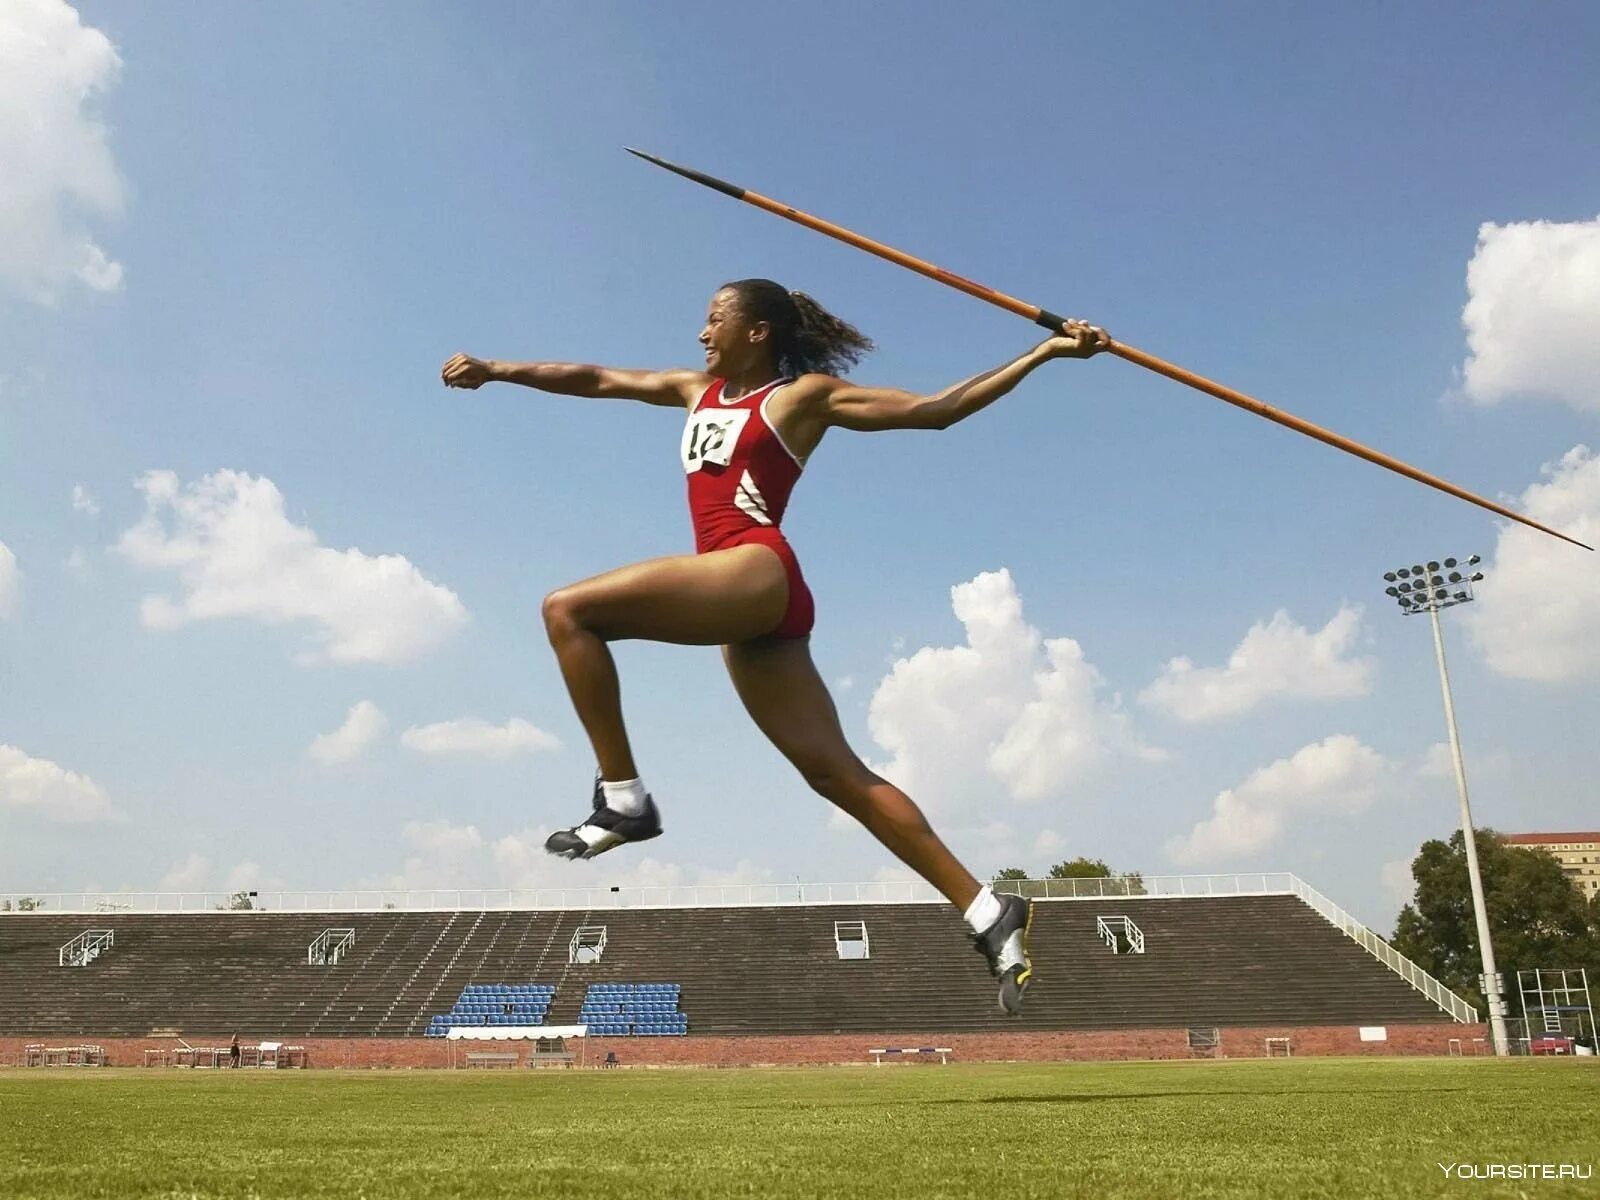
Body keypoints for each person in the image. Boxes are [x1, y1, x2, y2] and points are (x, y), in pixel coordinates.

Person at [441, 280, 1106, 1014]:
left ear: (757, 332)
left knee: (569, 610)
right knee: (835, 774)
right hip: (748, 617)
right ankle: (987, 911)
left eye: (714, 319)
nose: (701, 333)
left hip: (757, 569)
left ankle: (623, 798)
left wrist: (1044, 352)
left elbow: (936, 410)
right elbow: (596, 379)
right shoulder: (694, 390)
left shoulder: (800, 397)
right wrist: (498, 369)